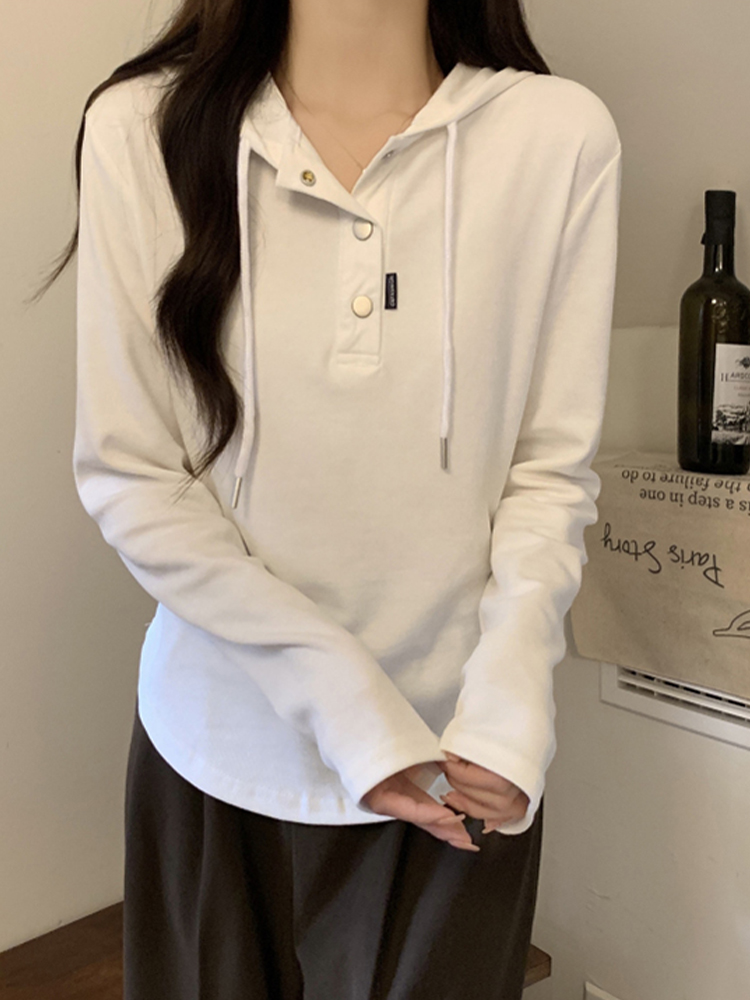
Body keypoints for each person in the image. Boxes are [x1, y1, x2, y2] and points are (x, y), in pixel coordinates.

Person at [40, 0, 622, 996]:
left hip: (461, 765)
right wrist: (349, 707)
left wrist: (511, 703)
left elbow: (547, 471)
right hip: (217, 754)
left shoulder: (558, 136)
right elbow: (135, 476)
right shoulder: (142, 129)